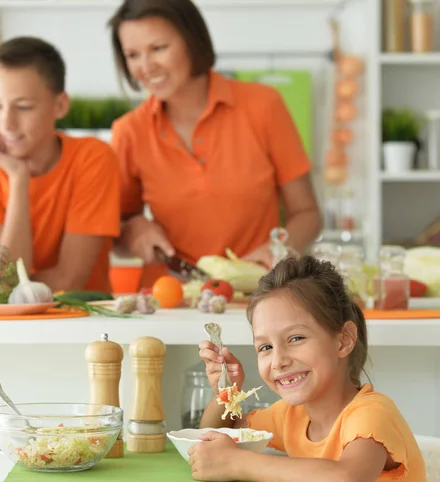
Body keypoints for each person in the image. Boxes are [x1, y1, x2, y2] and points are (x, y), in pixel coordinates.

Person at [107, 0, 322, 287]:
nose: (145, 67)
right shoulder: (129, 131)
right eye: (132, 55)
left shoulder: (262, 106)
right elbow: (114, 233)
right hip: (169, 298)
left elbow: (308, 214)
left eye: (158, 48)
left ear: (193, 41)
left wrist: (279, 251)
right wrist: (133, 230)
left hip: (258, 294)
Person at [192, 255, 426, 481]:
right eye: (265, 347)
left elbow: (346, 477)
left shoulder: (371, 413)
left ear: (343, 340)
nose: (278, 360)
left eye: (295, 338)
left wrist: (236, 462)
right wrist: (226, 392)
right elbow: (221, 434)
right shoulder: (289, 416)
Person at [0, 36, 120, 292]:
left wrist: (3, 289)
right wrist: (18, 178)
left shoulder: (93, 158)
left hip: (83, 321)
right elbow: (4, 278)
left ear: (60, 105)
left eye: (23, 107)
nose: (6, 123)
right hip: (4, 326)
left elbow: (70, 280)